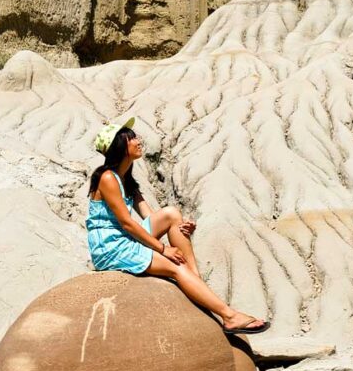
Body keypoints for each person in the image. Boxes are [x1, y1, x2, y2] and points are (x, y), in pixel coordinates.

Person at [86, 118, 270, 335]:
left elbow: (152, 217)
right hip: (111, 246)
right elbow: (127, 223)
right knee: (175, 267)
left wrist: (180, 227)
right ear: (120, 145)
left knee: (172, 214)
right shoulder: (107, 178)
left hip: (124, 237)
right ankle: (229, 316)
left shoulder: (125, 179)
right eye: (132, 138)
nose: (138, 141)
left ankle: (194, 279)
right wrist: (163, 249)